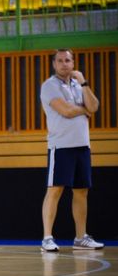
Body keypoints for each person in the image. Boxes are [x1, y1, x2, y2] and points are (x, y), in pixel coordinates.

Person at [39, 49, 104, 252]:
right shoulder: (49, 86)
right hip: (61, 146)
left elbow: (94, 106)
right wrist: (83, 110)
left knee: (81, 191)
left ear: (73, 63)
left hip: (82, 146)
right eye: (60, 61)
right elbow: (66, 111)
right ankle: (47, 238)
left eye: (67, 60)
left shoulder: (78, 85)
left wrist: (83, 83)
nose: (64, 64)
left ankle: (80, 237)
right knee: (55, 190)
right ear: (54, 64)